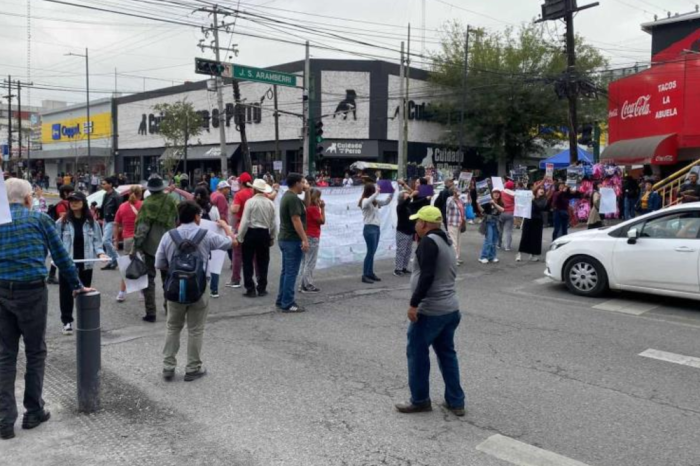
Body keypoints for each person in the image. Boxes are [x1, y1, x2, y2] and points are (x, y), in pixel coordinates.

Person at [0, 178, 91, 440]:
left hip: (2, 289)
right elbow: (61, 256)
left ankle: (5, 420)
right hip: (32, 291)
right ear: (29, 199)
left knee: (5, 354)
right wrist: (77, 284)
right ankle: (34, 410)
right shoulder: (39, 220)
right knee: (35, 350)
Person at [394, 206, 465, 417]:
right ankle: (456, 401)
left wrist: (414, 303)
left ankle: (420, 400)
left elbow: (427, 276)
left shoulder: (428, 242)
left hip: (432, 310)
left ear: (424, 224)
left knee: (417, 353)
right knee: (446, 354)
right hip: (450, 308)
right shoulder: (446, 241)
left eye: (417, 221)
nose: (415, 224)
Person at [156, 201, 234, 382]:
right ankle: (193, 367)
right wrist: (226, 228)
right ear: (197, 217)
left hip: (175, 289)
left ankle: (168, 366)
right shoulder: (206, 235)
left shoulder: (169, 236)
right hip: (199, 288)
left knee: (173, 326)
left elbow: (159, 263)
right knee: (196, 329)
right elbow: (231, 243)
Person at [56, 192, 108, 334]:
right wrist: (57, 259)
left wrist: (101, 253)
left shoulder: (92, 222)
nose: (73, 203)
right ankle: (67, 322)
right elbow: (55, 243)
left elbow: (98, 242)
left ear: (83, 202)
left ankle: (85, 319)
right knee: (66, 293)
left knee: (84, 291)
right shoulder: (62, 222)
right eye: (71, 201)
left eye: (77, 201)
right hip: (68, 263)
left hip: (86, 262)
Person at [133, 175, 178, 322]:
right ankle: (169, 308)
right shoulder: (171, 200)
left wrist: (136, 246)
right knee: (168, 279)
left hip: (150, 246)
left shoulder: (147, 204)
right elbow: (177, 220)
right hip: (169, 244)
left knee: (149, 279)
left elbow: (142, 228)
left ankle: (151, 312)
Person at [236, 179, 277, 298]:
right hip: (264, 233)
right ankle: (262, 287)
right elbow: (273, 223)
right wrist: (272, 237)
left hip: (251, 233)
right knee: (263, 262)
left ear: (254, 189)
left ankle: (250, 288)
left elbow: (245, 221)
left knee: (248, 261)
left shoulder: (250, 202)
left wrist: (240, 236)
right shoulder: (270, 203)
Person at [276, 173, 310, 313]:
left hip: (285, 238)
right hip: (292, 239)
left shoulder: (289, 196)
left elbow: (306, 205)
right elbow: (296, 220)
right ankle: (288, 303)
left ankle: (282, 299)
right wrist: (305, 239)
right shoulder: (292, 199)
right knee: (291, 272)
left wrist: (307, 191)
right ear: (296, 183)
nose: (304, 184)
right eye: (302, 182)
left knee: (286, 272)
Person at [359, 182, 394, 284]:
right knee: (370, 252)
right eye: (374, 189)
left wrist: (392, 192)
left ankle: (370, 273)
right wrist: (377, 193)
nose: (375, 190)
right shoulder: (365, 200)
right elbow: (366, 202)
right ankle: (365, 275)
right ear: (370, 191)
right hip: (369, 228)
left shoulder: (374, 201)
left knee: (372, 252)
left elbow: (386, 202)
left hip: (376, 228)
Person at [114, 185, 143, 303]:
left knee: (126, 266)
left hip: (127, 239)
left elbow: (116, 224)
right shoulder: (143, 206)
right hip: (140, 239)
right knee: (141, 265)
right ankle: (142, 293)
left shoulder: (122, 206)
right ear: (140, 194)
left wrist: (116, 241)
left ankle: (122, 293)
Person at [194, 186, 222, 298]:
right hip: (210, 236)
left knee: (198, 262)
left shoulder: (192, 208)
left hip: (196, 237)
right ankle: (214, 289)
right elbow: (217, 220)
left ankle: (198, 287)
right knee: (214, 262)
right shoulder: (212, 207)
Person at [228, 172, 254, 288]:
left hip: (241, 226)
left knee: (237, 253)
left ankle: (235, 279)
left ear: (241, 183)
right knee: (255, 255)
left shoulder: (239, 194)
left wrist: (230, 206)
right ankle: (258, 279)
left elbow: (235, 210)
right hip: (255, 227)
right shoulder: (255, 193)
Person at [47, 184, 75, 285]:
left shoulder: (68, 203)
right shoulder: (62, 204)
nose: (73, 194)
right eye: (71, 192)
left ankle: (52, 275)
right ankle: (52, 275)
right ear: (65, 193)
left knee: (62, 253)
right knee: (60, 253)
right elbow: (62, 217)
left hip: (67, 232)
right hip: (62, 232)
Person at [298, 188, 325, 293]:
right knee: (310, 262)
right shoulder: (313, 208)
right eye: (318, 197)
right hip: (313, 236)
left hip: (306, 234)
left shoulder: (306, 207)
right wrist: (322, 209)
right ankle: (308, 284)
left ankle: (301, 284)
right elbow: (322, 221)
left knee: (304, 261)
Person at [516, 183, 548, 262]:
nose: (541, 190)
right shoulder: (530, 196)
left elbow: (540, 207)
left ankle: (533, 254)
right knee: (525, 236)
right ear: (536, 190)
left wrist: (533, 200)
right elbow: (521, 203)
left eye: (543, 189)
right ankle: (519, 254)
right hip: (528, 218)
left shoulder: (544, 199)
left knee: (536, 238)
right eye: (540, 189)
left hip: (537, 220)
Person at [394, 180, 416, 276]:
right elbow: (405, 202)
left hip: (409, 231)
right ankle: (397, 269)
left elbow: (413, 193)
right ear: (402, 198)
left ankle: (404, 267)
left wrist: (407, 188)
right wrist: (410, 196)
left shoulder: (408, 207)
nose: (408, 195)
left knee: (408, 251)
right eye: (405, 195)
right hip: (402, 231)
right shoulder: (400, 206)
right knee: (401, 251)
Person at [99, 176, 121, 271]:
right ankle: (111, 262)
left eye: (104, 183)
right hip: (106, 219)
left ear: (110, 184)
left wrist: (118, 223)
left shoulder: (116, 196)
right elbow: (103, 207)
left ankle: (117, 259)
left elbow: (120, 209)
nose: (102, 185)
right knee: (106, 241)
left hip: (112, 220)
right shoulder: (105, 195)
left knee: (106, 240)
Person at [478, 190, 504, 264]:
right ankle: (483, 257)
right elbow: (482, 211)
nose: (496, 194)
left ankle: (492, 256)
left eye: (498, 193)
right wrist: (478, 204)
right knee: (488, 240)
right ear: (492, 194)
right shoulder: (487, 202)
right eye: (495, 193)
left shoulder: (500, 202)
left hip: (496, 223)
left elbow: (502, 210)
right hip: (488, 222)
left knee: (494, 240)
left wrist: (494, 204)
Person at [446, 188, 465, 265]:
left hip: (460, 223)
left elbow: (463, 209)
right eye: (456, 191)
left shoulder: (460, 200)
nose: (458, 192)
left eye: (459, 191)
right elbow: (449, 206)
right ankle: (453, 259)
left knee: (458, 241)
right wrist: (454, 197)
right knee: (453, 241)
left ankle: (457, 257)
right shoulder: (449, 199)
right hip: (452, 222)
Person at [497, 181, 516, 251]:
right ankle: (507, 246)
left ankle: (498, 244)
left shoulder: (501, 192)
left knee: (499, 229)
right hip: (510, 213)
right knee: (508, 231)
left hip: (501, 212)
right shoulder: (514, 194)